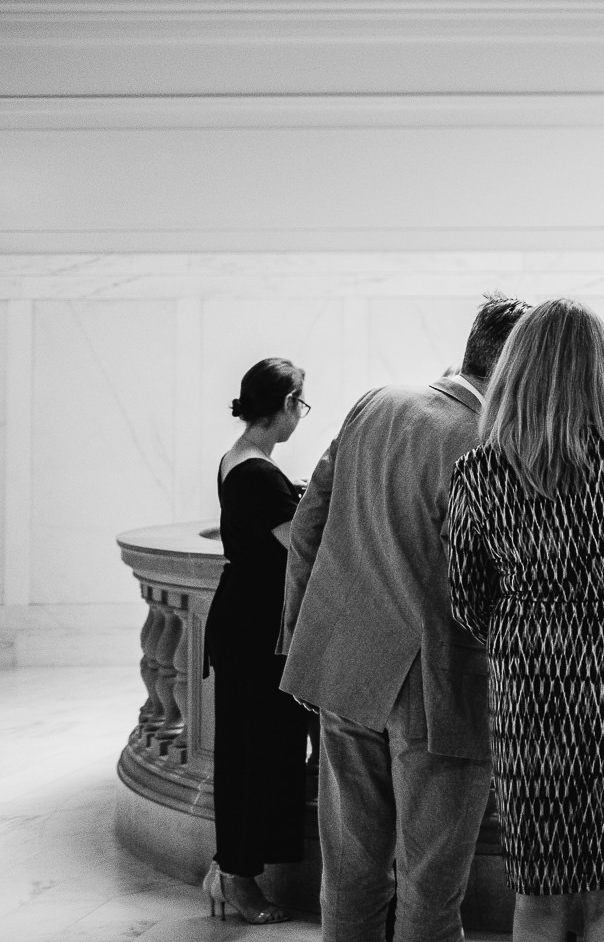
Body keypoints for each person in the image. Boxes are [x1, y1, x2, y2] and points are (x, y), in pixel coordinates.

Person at [281, 293, 529, 942]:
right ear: (510, 366)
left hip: (346, 670)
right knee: (430, 891)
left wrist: (306, 644)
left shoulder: (376, 403)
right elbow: (494, 582)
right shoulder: (494, 445)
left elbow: (309, 522)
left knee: (352, 876)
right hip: (440, 689)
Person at [445, 300, 604, 942]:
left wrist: (525, 631)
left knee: (538, 890)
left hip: (526, 687)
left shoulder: (479, 470)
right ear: (600, 375)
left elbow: (467, 596)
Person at [203, 357, 313, 924]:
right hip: (255, 628)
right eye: (302, 403)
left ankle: (232, 867)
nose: (302, 415)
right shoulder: (258, 474)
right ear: (286, 404)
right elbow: (302, 548)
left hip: (242, 620)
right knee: (255, 755)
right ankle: (238, 876)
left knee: (253, 749)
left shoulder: (237, 458)